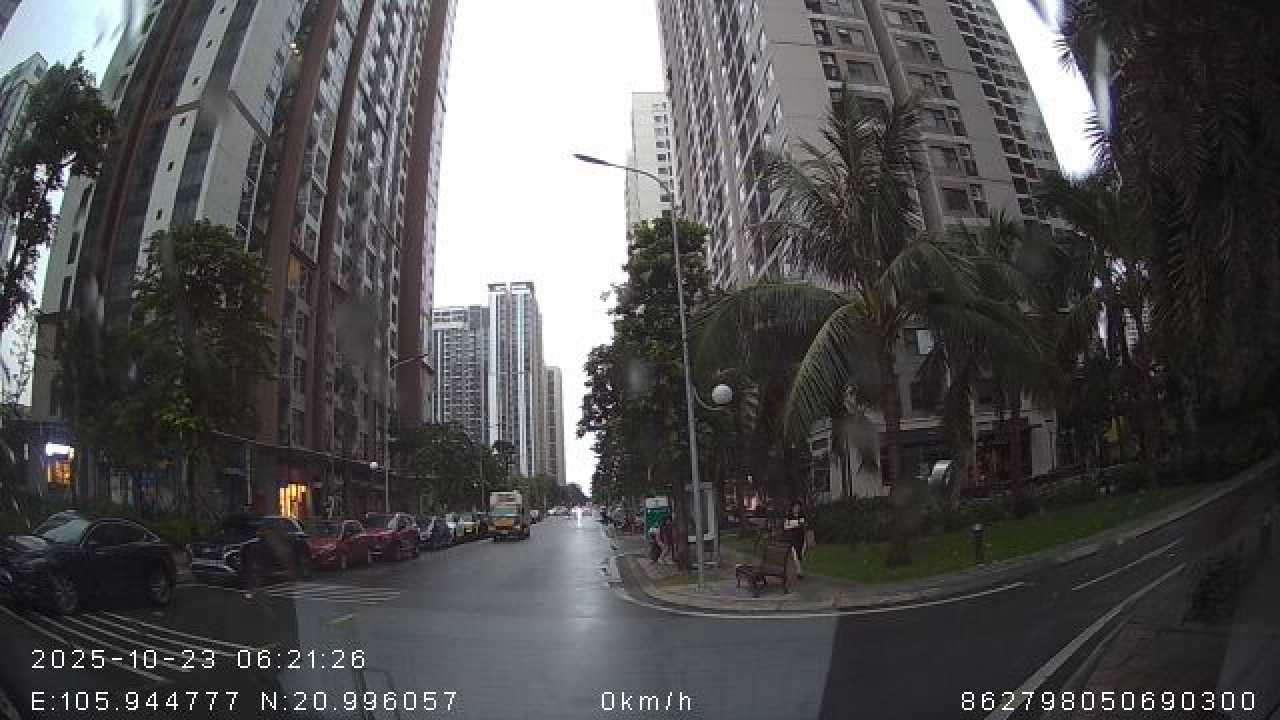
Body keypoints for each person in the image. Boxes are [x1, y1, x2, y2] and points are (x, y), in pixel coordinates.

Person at [784, 501, 806, 579]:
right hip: (793, 538)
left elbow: (802, 524)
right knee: (795, 554)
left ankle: (800, 570)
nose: (797, 508)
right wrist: (796, 524)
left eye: (798, 507)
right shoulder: (789, 515)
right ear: (792, 507)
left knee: (801, 554)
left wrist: (791, 524)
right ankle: (799, 571)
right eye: (795, 507)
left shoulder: (802, 515)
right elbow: (786, 527)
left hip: (801, 538)